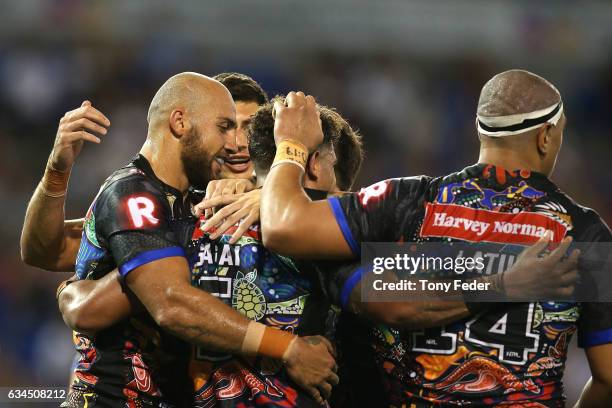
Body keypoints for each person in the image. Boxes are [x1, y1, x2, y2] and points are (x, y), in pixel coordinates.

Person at [260, 70, 612, 406]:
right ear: (546, 136)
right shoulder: (584, 234)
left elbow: (281, 226)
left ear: (479, 129)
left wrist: (290, 146)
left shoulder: (408, 200)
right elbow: (609, 378)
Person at [20, 72, 336, 407]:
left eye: (248, 131)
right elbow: (54, 256)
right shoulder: (136, 196)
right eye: (226, 126)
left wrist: (269, 198)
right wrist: (287, 348)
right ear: (181, 122)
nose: (236, 143)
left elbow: (381, 258)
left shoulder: (200, 204)